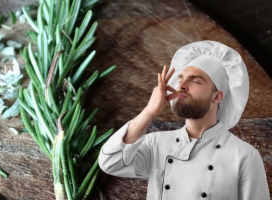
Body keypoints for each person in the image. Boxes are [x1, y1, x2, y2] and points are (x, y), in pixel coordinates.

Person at [98, 40, 269, 199]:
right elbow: (110, 163)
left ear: (216, 97)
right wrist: (149, 111)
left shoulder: (244, 156)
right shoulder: (156, 144)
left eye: (196, 81)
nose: (181, 85)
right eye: (180, 79)